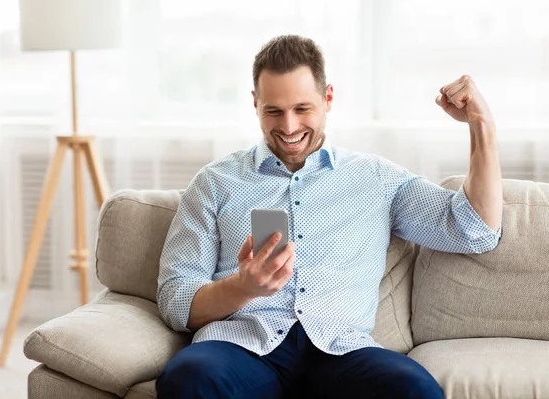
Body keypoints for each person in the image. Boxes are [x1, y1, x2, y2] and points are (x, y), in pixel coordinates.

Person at [155, 34, 502, 398]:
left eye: (302, 109)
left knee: (415, 389)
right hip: (241, 348)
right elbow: (174, 299)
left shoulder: (376, 179)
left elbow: (474, 230)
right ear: (255, 104)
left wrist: (482, 125)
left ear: (328, 98)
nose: (288, 127)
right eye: (273, 111)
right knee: (187, 377)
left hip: (342, 352)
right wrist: (242, 289)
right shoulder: (215, 183)